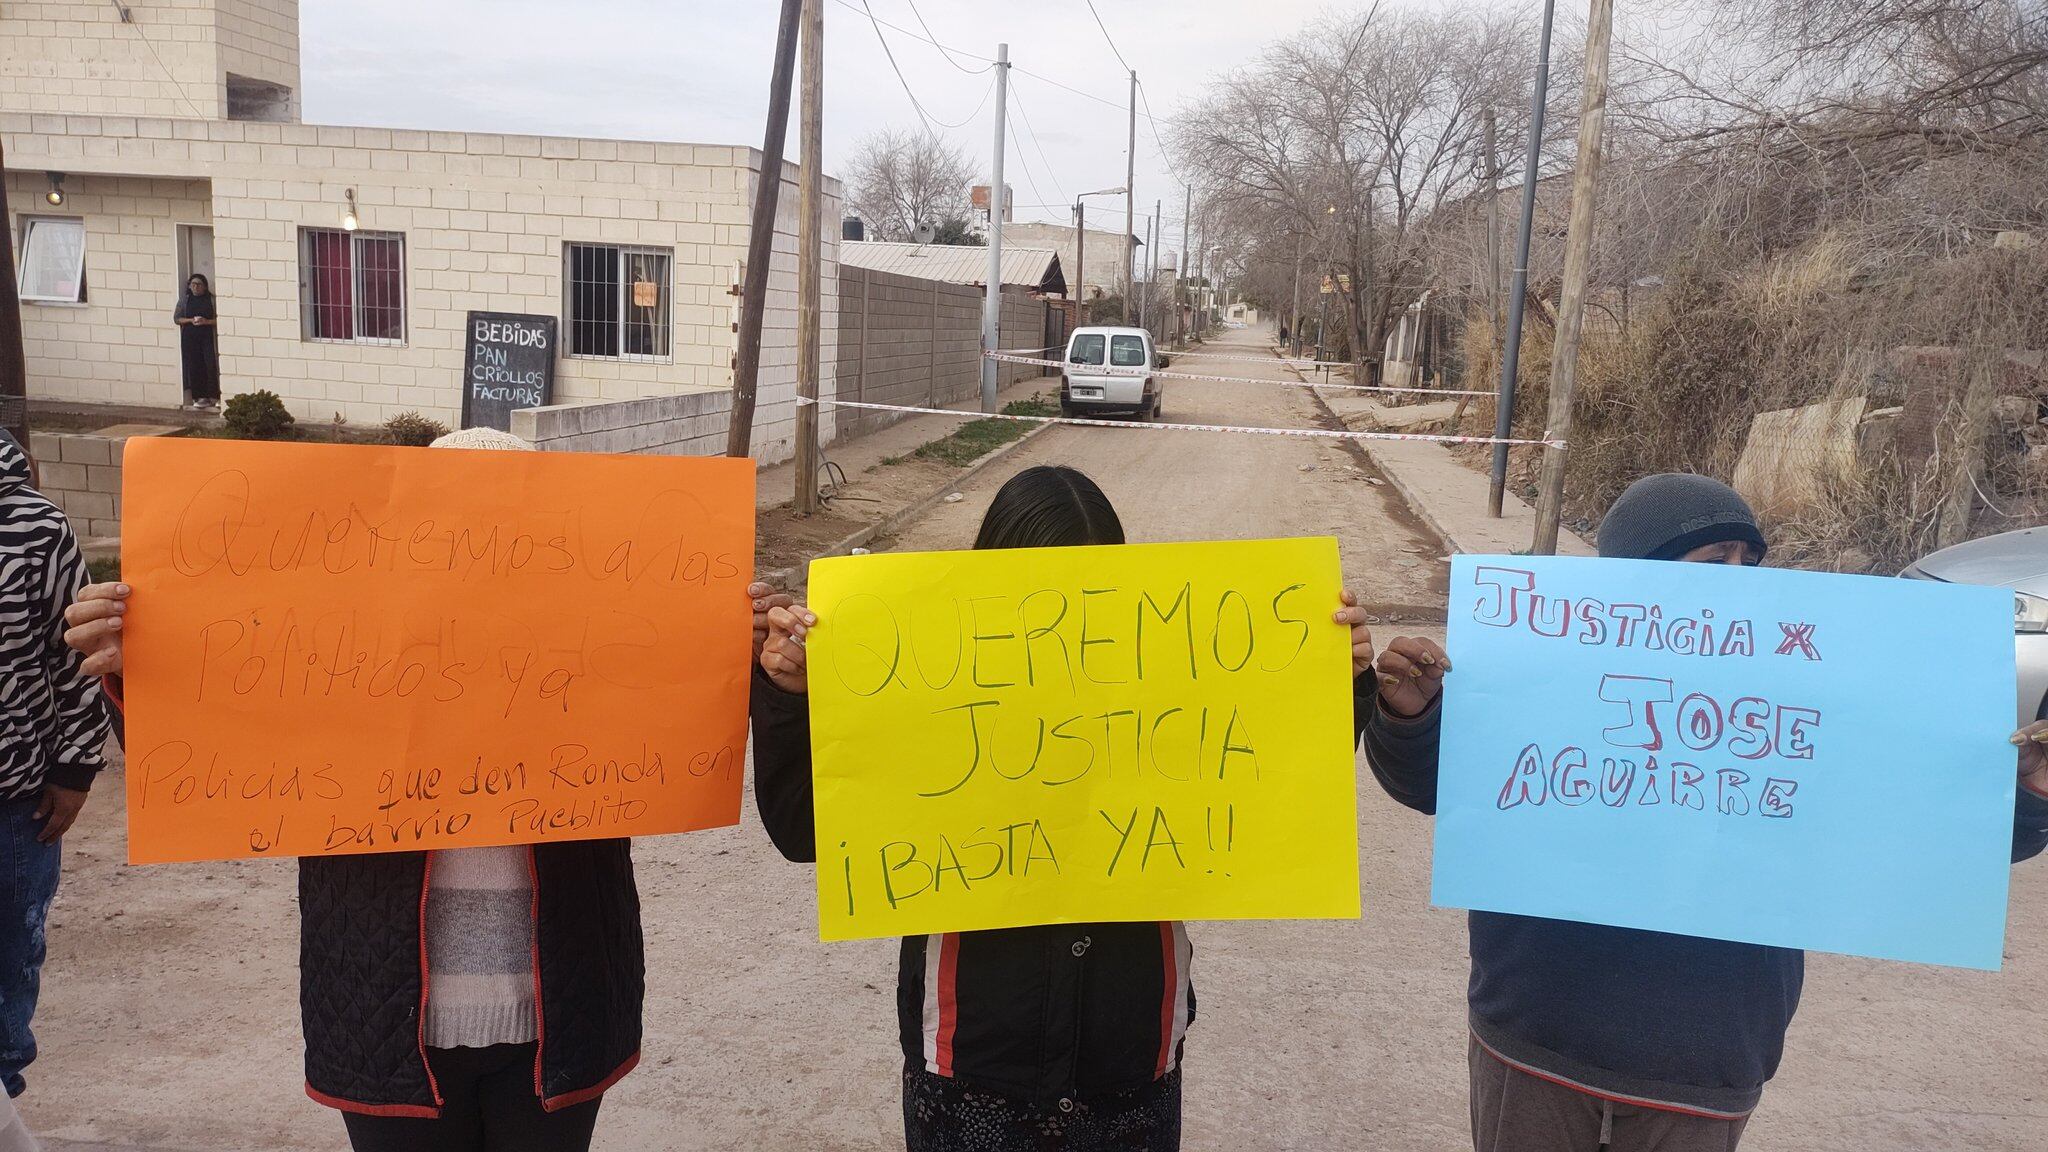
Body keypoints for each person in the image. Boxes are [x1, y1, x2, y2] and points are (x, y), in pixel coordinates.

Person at [61, 427, 796, 1152]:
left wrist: (745, 648)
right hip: (381, 1009)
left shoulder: (600, 641)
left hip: (560, 1004)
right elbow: (222, 751)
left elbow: (692, 711)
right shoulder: (342, 639)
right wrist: (146, 667)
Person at [1355, 472, 2048, 1152]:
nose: (1744, 579)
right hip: (1538, 1033)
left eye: (1753, 560)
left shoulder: (1810, 704)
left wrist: (2028, 798)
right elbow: (1430, 787)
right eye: (1717, 560)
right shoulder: (1544, 671)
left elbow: (1922, 828)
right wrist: (1406, 717)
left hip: (1708, 1059)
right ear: (1641, 579)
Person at [749, 464, 1383, 1152]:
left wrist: (1333, 681)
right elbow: (802, 828)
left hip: (1130, 1052)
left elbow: (1272, 785)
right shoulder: (923, 688)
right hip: (974, 1059)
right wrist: (790, 698)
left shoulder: (1164, 675)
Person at [0, 431, 112, 1152]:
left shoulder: (34, 527)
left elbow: (71, 654)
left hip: (12, 803)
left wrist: (74, 770)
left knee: (10, 969)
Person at [173, 274, 220, 410]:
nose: (195, 287)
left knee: (210, 365)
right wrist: (190, 320)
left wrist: (206, 321)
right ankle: (199, 397)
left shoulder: (211, 300)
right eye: (193, 284)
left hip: (206, 336)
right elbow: (177, 318)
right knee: (194, 365)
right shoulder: (185, 300)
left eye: (198, 284)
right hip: (190, 337)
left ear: (204, 286)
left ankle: (214, 395)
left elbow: (219, 319)